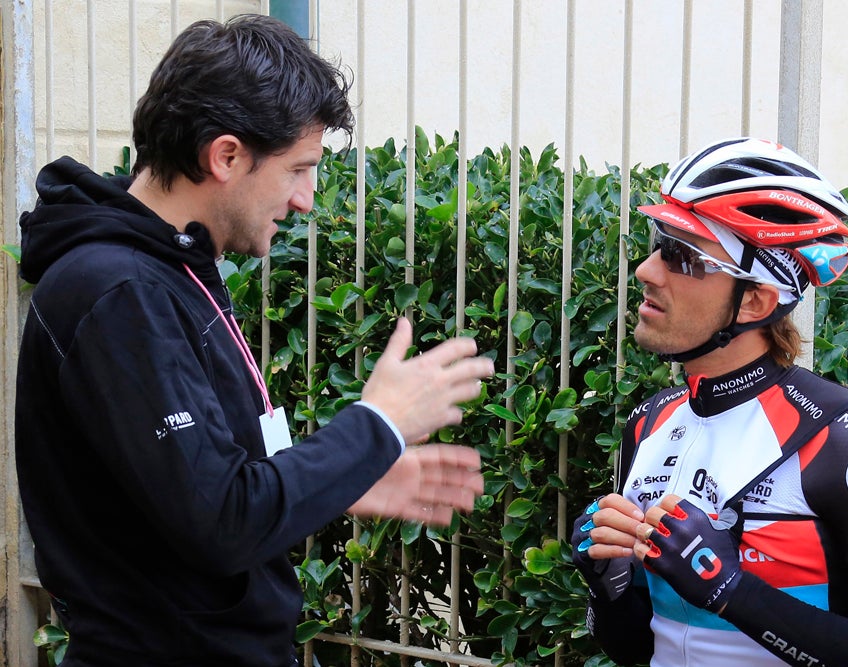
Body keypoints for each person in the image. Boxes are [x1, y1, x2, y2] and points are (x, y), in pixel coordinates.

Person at [15, 14, 493, 667]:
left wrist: (343, 478)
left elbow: (199, 482)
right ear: (228, 155)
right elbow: (223, 520)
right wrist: (376, 426)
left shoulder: (168, 269)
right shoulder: (118, 292)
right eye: (300, 168)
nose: (306, 199)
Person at [571, 137, 848, 666]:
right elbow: (638, 648)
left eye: (682, 256)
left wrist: (730, 590)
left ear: (754, 301)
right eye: (659, 243)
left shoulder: (847, 440)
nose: (647, 270)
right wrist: (606, 586)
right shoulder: (650, 422)